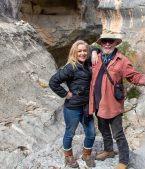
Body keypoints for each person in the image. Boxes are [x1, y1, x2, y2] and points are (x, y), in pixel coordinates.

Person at [89, 33, 145, 169]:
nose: (107, 43)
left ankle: (124, 161)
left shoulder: (121, 60)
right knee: (103, 129)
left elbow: (133, 76)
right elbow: (80, 52)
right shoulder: (97, 57)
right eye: (104, 41)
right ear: (101, 44)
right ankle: (109, 150)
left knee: (118, 133)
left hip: (112, 104)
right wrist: (94, 51)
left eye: (110, 41)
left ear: (115, 43)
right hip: (98, 102)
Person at [49, 40, 96, 168]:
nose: (82, 53)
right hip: (72, 108)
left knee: (91, 132)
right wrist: (65, 94)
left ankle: (86, 154)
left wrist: (95, 52)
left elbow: (101, 52)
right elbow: (53, 82)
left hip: (86, 106)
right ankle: (68, 157)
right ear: (74, 53)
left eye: (84, 50)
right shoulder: (71, 67)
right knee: (70, 133)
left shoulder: (88, 64)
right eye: (79, 51)